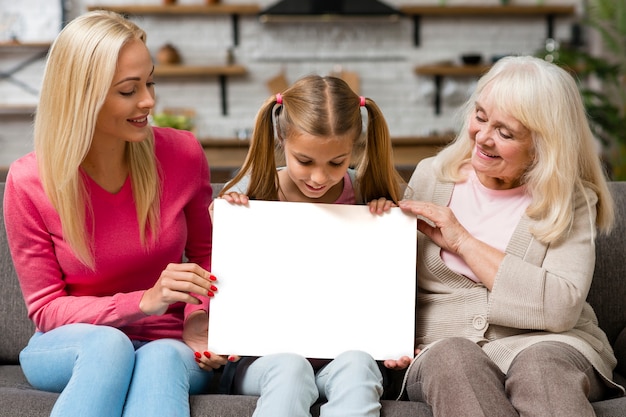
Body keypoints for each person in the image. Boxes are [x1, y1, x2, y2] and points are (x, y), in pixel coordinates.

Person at [3, 10, 227, 417]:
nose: (149, 101)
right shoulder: (29, 180)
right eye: (129, 90)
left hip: (169, 343)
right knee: (110, 344)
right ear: (82, 97)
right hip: (70, 343)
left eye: (150, 81)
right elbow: (47, 308)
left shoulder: (182, 155)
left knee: (158, 359)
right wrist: (143, 300)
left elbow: (210, 257)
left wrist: (198, 318)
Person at [384, 55, 625, 416]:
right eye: (480, 116)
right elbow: (390, 277)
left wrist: (463, 242)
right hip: (440, 347)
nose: (482, 137)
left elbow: (560, 307)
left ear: (543, 144)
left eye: (505, 132)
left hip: (551, 344)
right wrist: (391, 339)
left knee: (542, 368)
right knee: (454, 358)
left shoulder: (571, 201)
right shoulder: (430, 177)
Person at [211, 74, 404, 417]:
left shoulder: (369, 194)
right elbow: (224, 285)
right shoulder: (249, 194)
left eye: (336, 163)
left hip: (347, 355)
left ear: (354, 149)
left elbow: (393, 292)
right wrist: (224, 226)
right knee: (290, 368)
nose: (318, 177)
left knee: (358, 366)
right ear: (282, 138)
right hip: (265, 361)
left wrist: (391, 221)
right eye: (305, 161)